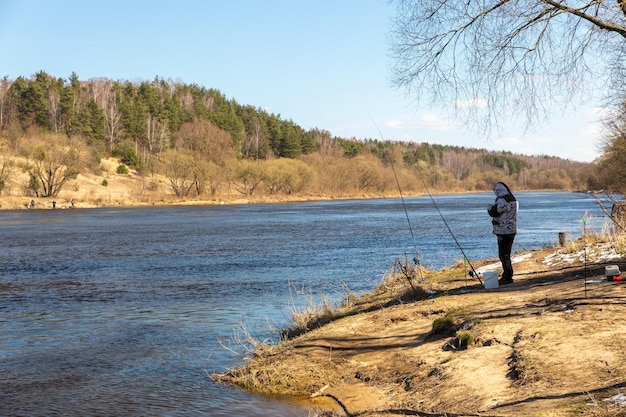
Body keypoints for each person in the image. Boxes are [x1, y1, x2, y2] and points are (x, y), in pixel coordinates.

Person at [487, 182, 518, 285]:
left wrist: (489, 207)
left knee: (503, 255)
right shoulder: (513, 199)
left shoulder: (502, 200)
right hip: (512, 229)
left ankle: (508, 276)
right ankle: (507, 275)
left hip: (502, 230)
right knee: (506, 254)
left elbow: (494, 212)